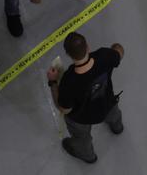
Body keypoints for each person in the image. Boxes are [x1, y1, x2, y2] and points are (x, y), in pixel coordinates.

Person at [47, 32, 125, 164]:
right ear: (87, 47)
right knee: (114, 113)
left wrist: (53, 82)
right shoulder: (104, 56)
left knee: (81, 136)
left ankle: (87, 155)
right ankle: (117, 127)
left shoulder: (69, 80)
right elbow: (119, 52)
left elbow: (64, 109)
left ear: (68, 55)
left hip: (82, 118)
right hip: (106, 104)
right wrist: (115, 48)